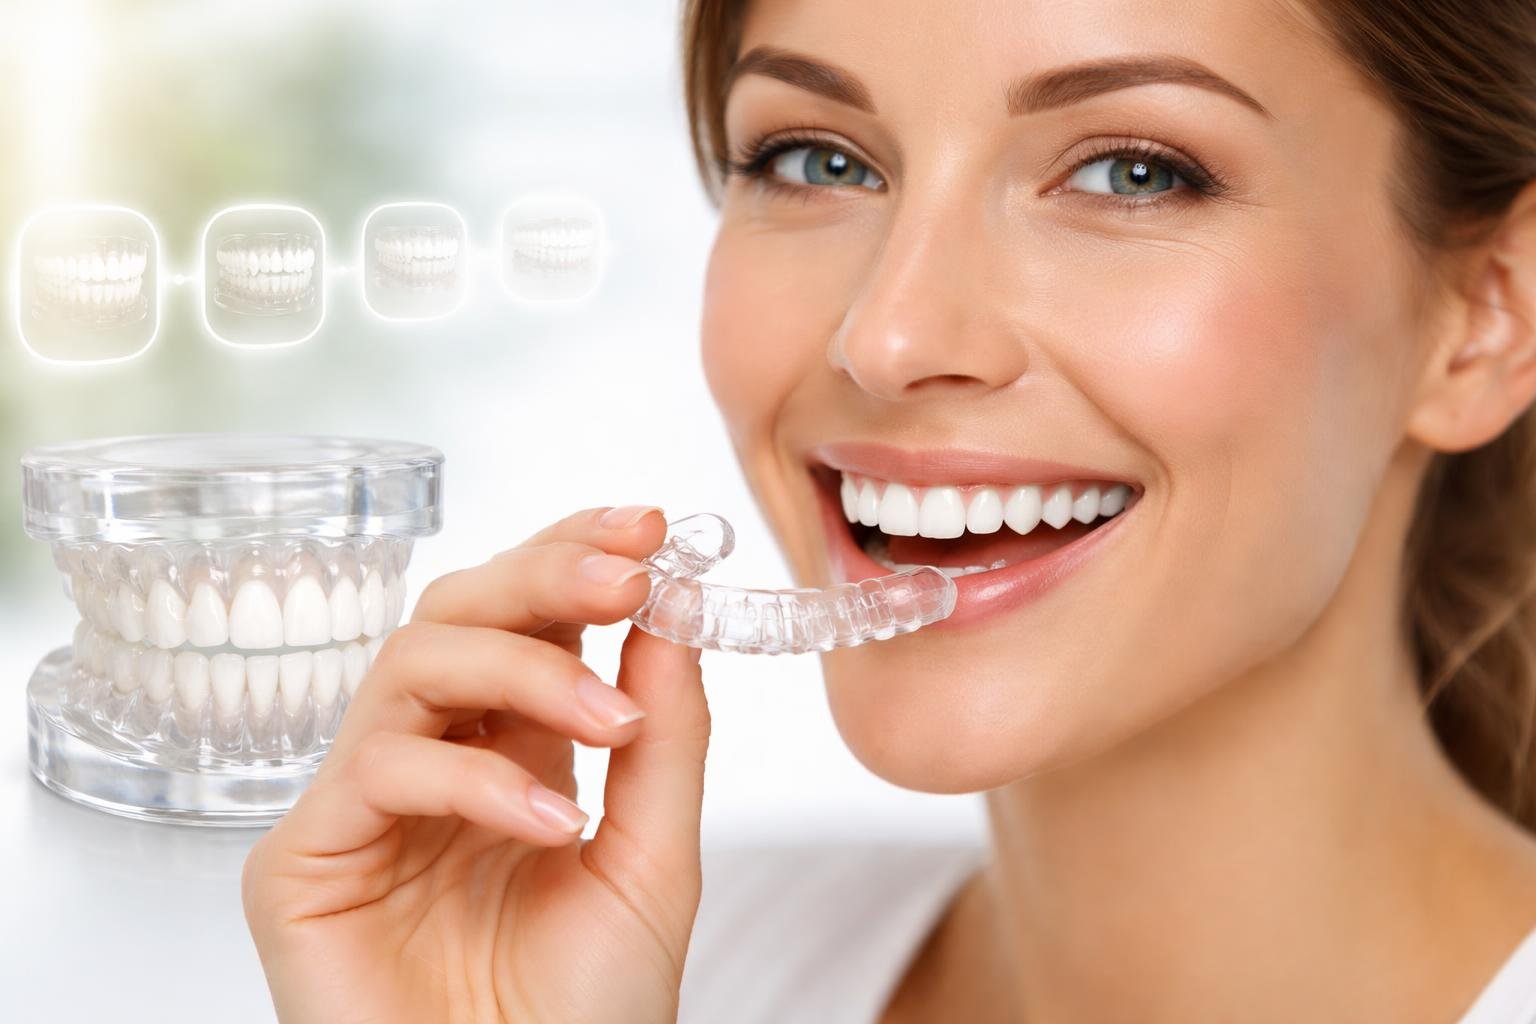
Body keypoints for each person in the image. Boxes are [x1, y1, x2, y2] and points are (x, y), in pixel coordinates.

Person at [241, 0, 1536, 1020]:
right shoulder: (638, 972)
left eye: (1135, 173)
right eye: (816, 159)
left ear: (1486, 319)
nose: (892, 334)